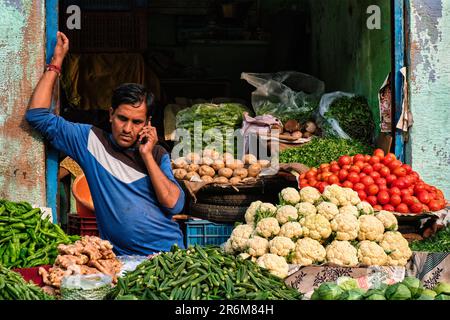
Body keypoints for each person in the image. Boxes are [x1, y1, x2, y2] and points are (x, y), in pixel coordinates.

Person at [26, 31, 185, 255]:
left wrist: (147, 156)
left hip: (169, 254)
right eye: (122, 118)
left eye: (137, 122)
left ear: (148, 123)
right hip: (121, 258)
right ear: (111, 114)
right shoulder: (91, 141)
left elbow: (174, 205)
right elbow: (37, 116)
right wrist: (56, 63)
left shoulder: (158, 154)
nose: (128, 128)